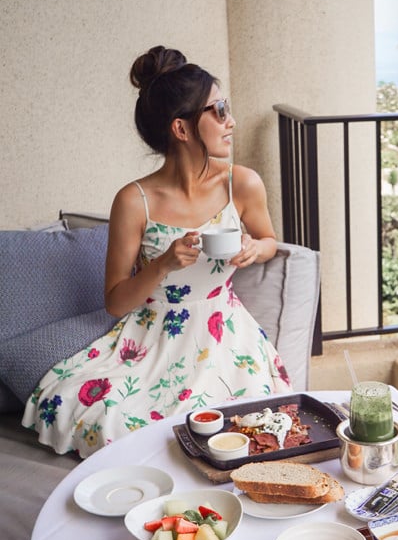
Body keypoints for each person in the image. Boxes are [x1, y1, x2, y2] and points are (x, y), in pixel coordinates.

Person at [22, 45, 291, 456]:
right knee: (113, 421)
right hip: (151, 340)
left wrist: (257, 247)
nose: (231, 120)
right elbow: (115, 301)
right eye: (218, 110)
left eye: (227, 107)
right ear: (181, 129)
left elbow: (270, 241)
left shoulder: (243, 183)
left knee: (243, 427)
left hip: (227, 338)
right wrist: (163, 264)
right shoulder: (134, 200)